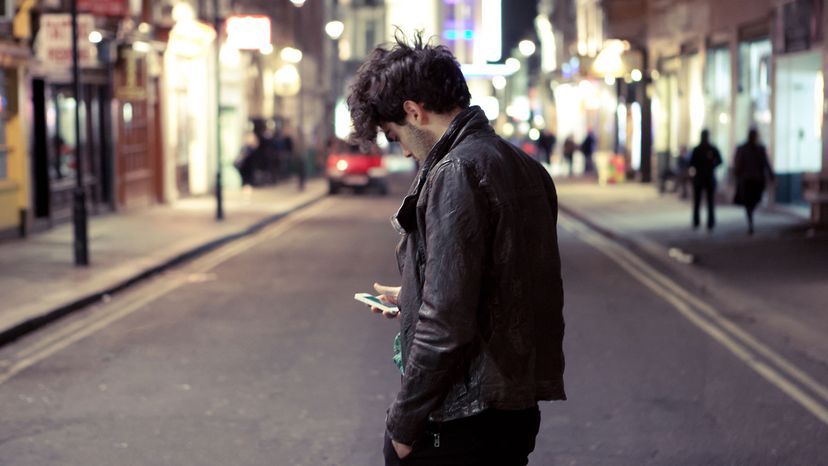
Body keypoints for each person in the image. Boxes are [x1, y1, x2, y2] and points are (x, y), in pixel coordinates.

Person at [347, 32, 566, 466]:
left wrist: (403, 427)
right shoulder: (524, 165)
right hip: (513, 408)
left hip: (460, 421)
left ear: (414, 111)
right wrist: (413, 295)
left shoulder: (456, 171)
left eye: (396, 135)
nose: (405, 152)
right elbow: (499, 284)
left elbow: (446, 321)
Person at [734, 129, 775, 234]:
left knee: (755, 199)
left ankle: (750, 214)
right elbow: (738, 163)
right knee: (748, 201)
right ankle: (750, 219)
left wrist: (771, 174)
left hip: (757, 180)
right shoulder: (743, 149)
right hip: (747, 179)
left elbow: (765, 162)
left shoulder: (760, 149)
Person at [689, 129, 722, 230]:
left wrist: (711, 165)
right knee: (700, 201)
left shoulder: (710, 149)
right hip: (701, 178)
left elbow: (720, 161)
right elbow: (691, 163)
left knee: (708, 201)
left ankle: (706, 222)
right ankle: (698, 221)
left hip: (707, 178)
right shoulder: (698, 149)